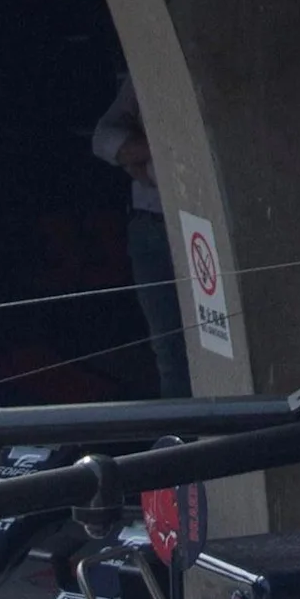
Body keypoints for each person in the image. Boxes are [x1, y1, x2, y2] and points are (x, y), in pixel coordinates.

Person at [87, 75, 192, 399]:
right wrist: (152, 149)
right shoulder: (140, 82)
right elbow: (102, 139)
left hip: (193, 225)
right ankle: (183, 443)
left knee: (212, 339)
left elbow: (187, 157)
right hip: (149, 228)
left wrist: (144, 161)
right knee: (168, 349)